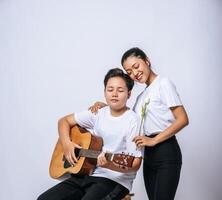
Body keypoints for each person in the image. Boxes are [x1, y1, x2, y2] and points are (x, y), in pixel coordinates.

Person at [90, 47, 189, 200]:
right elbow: (128, 116)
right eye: (129, 71)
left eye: (136, 66)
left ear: (146, 61)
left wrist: (154, 140)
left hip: (166, 151)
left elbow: (183, 119)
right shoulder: (141, 97)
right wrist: (107, 106)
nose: (134, 73)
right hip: (148, 155)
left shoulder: (163, 83)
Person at [37, 68, 142, 200]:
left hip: (115, 180)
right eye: (110, 90)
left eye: (120, 90)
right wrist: (67, 144)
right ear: (104, 92)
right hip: (87, 173)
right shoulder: (98, 113)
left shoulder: (133, 120)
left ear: (129, 94)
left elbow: (135, 164)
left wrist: (109, 164)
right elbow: (64, 121)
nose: (114, 94)